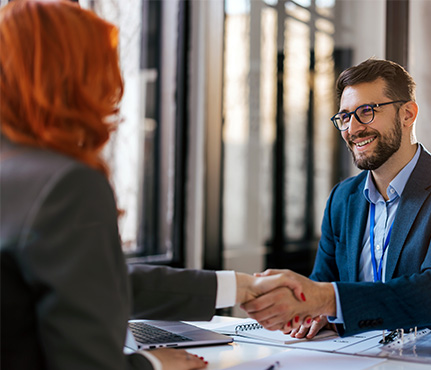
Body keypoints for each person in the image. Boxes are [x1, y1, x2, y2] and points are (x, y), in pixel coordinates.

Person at [0, 1, 303, 369]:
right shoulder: (65, 185)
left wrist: (238, 286)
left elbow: (88, 278)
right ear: (75, 77)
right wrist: (155, 365)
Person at [242, 58, 431, 340]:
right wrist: (300, 305)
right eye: (345, 117)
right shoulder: (342, 198)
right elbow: (321, 284)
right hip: (359, 351)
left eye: (366, 111)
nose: (352, 129)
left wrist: (326, 299)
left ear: (408, 114)